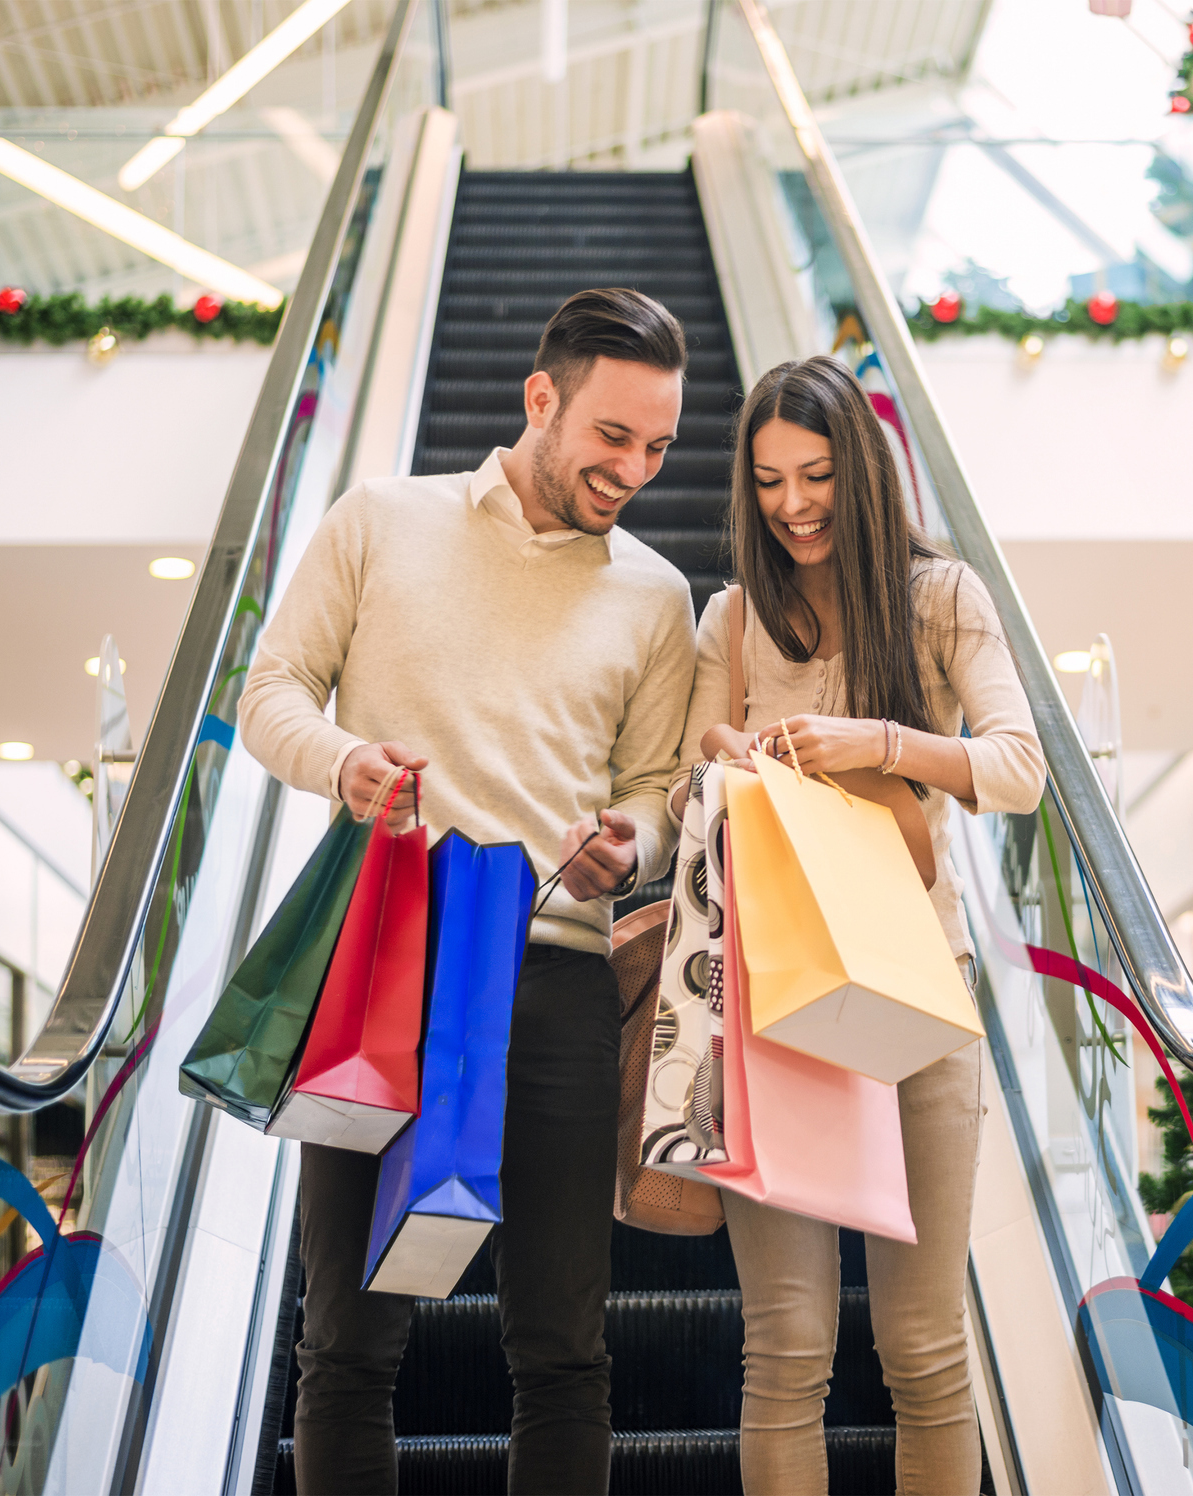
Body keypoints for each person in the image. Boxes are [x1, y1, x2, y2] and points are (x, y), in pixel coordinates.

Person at [238, 287, 698, 1495]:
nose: (635, 469)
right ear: (541, 397)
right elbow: (271, 688)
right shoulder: (381, 519)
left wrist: (632, 841)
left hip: (555, 979)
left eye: (659, 447)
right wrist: (344, 761)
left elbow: (656, 783)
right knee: (348, 1339)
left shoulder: (656, 595)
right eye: (614, 436)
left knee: (563, 1349)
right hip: (385, 957)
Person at [670, 355, 1046, 1494]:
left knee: (924, 1350)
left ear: (865, 471)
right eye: (771, 479)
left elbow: (1018, 770)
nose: (792, 504)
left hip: (921, 992)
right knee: (784, 1350)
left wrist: (878, 741)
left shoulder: (941, 597)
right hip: (773, 999)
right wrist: (731, 755)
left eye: (819, 474)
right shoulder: (732, 617)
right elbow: (694, 761)